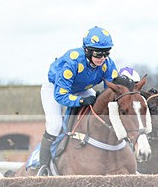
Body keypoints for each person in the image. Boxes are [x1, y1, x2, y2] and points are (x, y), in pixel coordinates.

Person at [38, 26, 119, 175]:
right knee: (55, 125)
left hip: (82, 88)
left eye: (106, 53)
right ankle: (42, 167)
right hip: (55, 88)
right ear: (87, 51)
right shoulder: (72, 61)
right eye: (98, 53)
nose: (102, 57)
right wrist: (81, 102)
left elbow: (112, 89)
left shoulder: (108, 64)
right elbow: (61, 95)